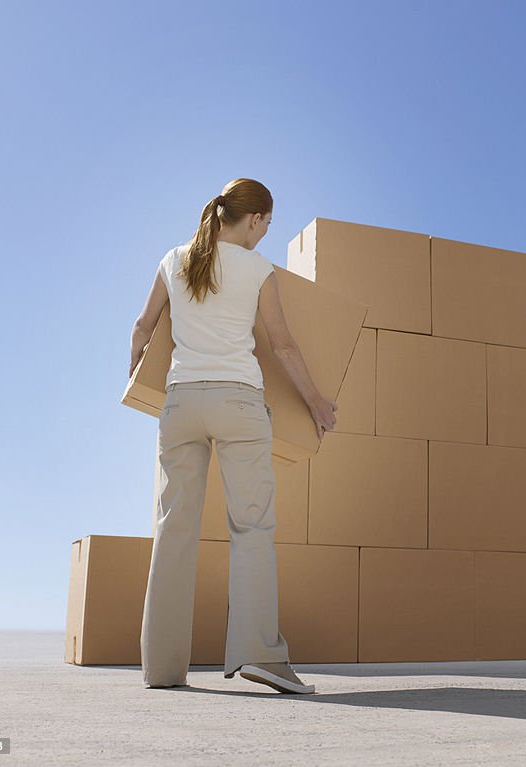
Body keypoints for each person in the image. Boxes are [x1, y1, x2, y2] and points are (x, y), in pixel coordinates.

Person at [128, 178, 337, 693]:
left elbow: (142, 328)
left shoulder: (174, 259)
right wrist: (316, 403)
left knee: (173, 528)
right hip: (239, 402)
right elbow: (283, 346)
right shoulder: (258, 269)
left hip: (180, 404)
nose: (265, 233)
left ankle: (160, 667)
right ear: (255, 219)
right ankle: (259, 654)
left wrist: (141, 384)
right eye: (267, 224)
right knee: (251, 528)